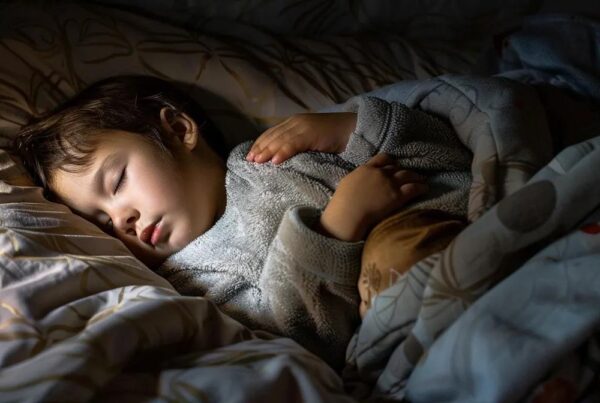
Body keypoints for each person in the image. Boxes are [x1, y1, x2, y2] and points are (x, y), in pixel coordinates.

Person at [13, 75, 471, 368]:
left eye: (116, 182)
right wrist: (336, 228)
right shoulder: (192, 283)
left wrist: (346, 130)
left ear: (178, 129)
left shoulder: (278, 154)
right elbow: (299, 341)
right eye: (101, 222)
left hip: (456, 229)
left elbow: (443, 159)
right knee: (397, 256)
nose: (122, 219)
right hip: (402, 320)